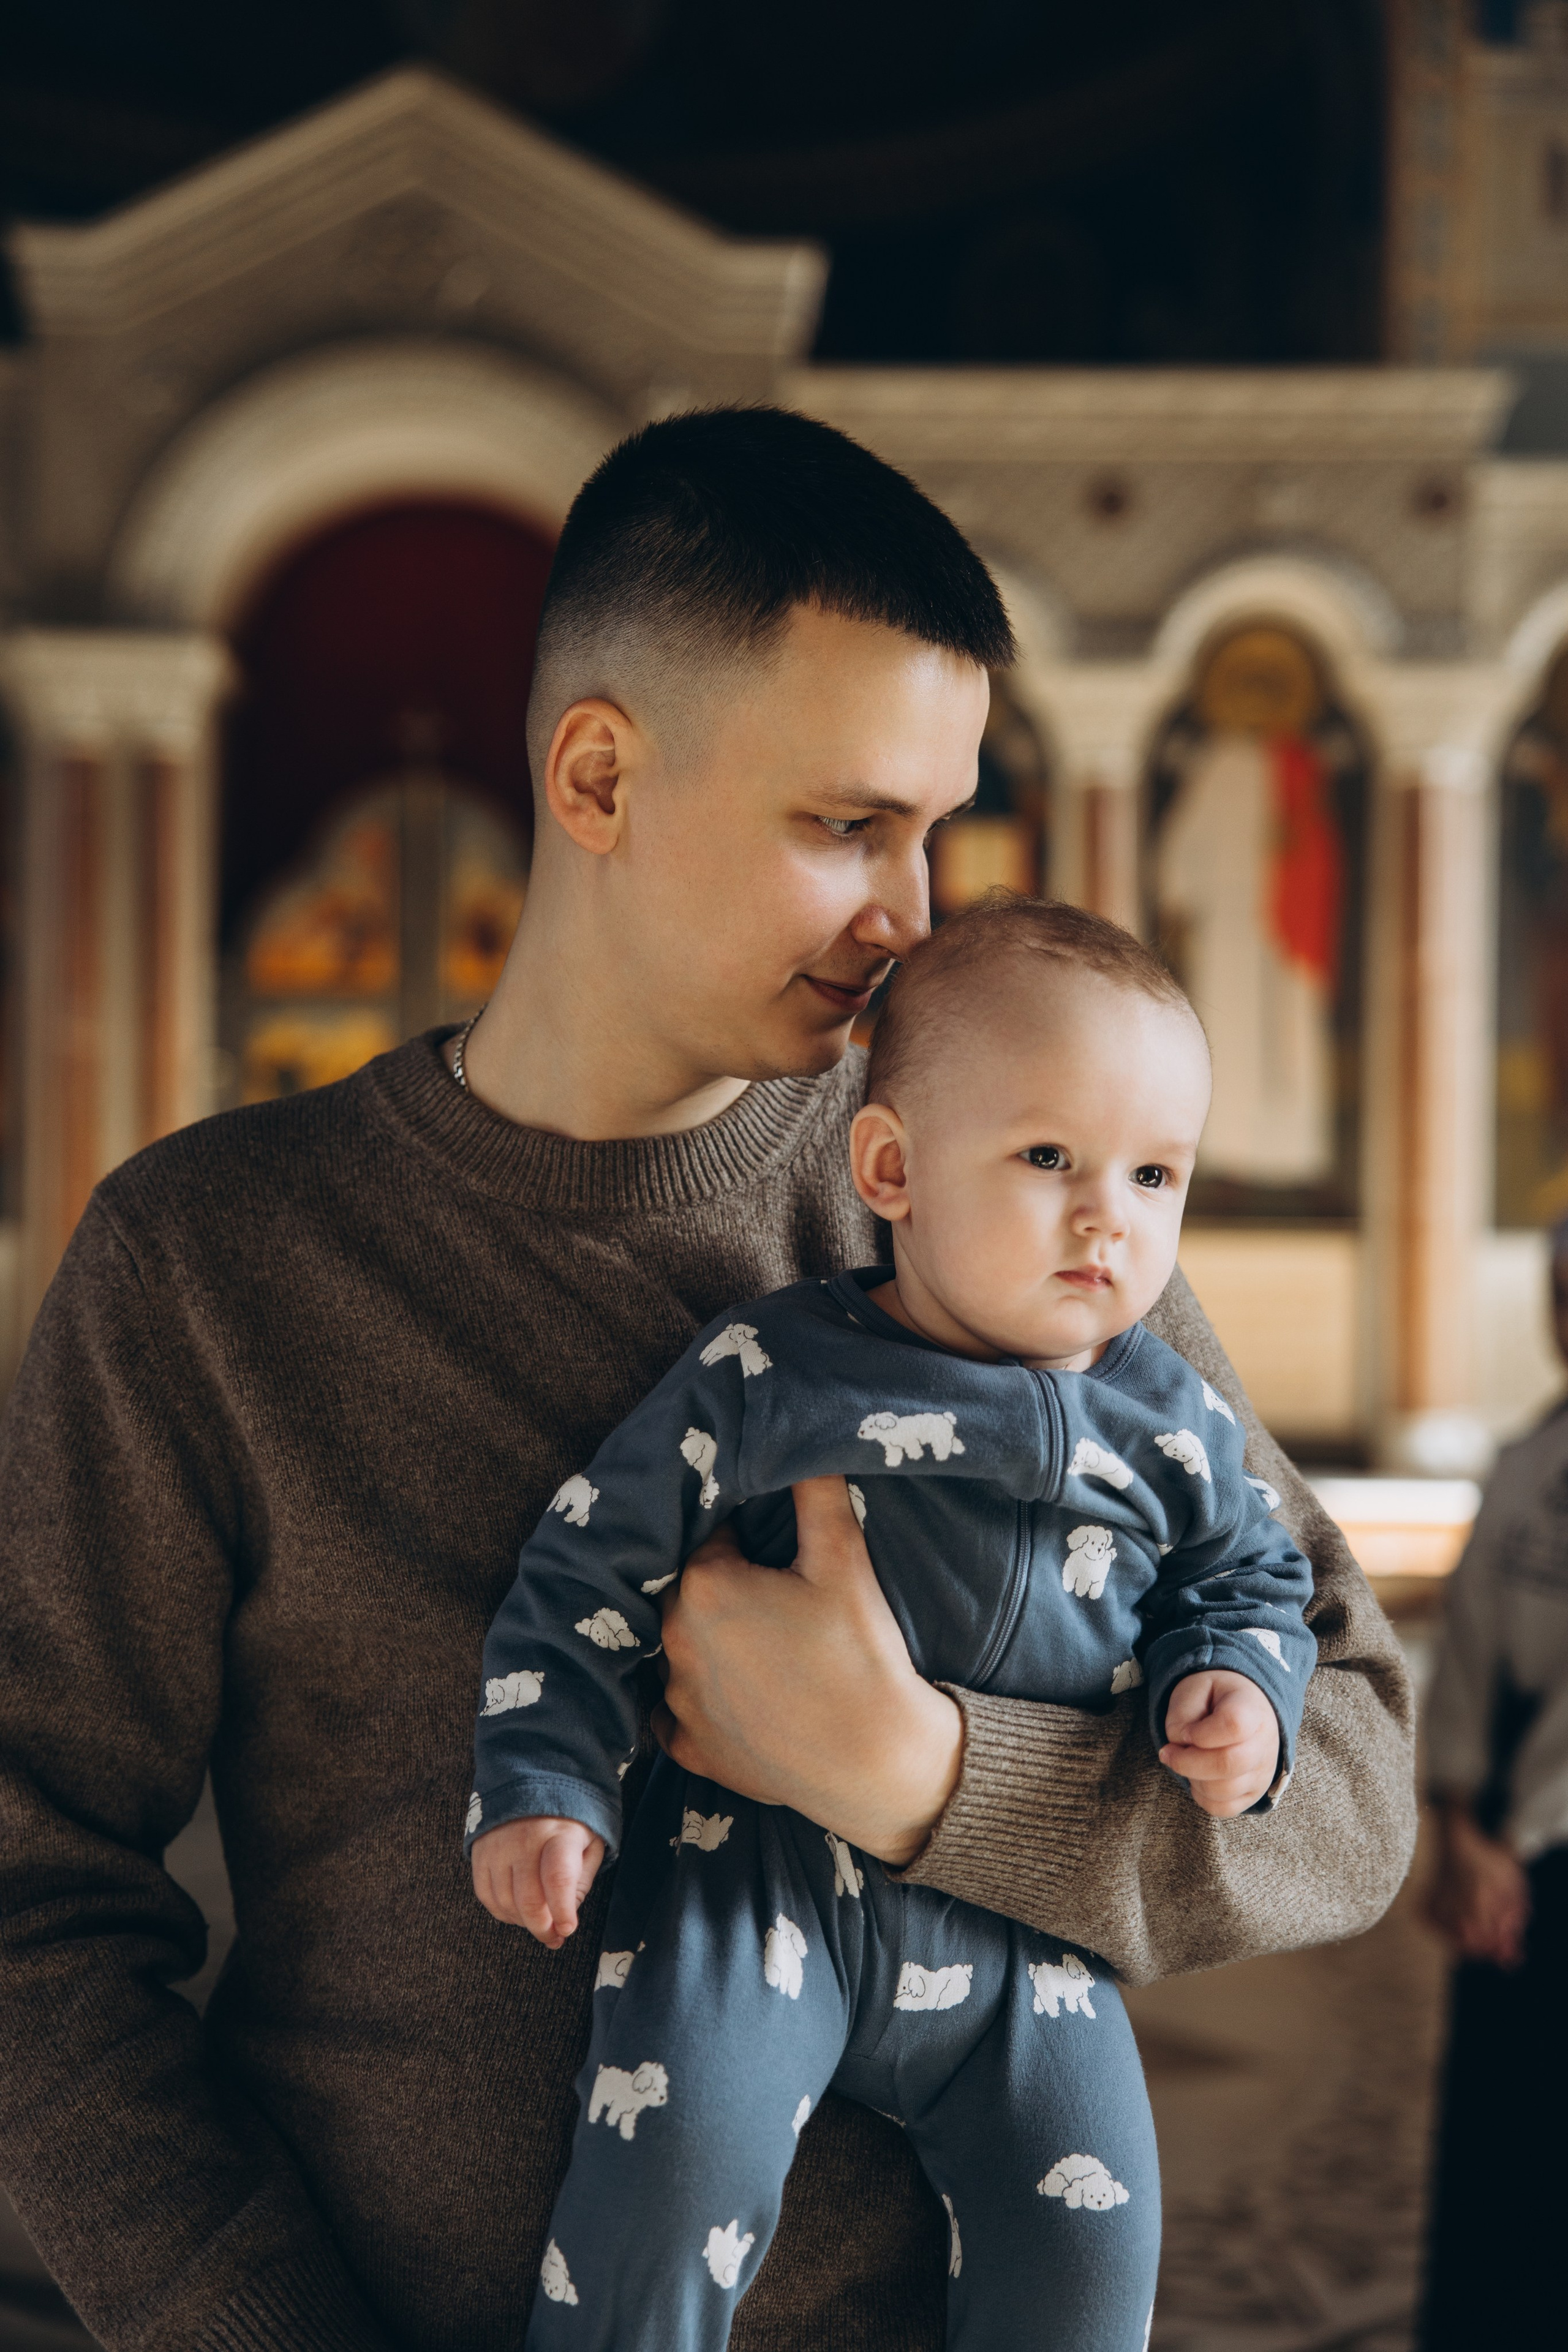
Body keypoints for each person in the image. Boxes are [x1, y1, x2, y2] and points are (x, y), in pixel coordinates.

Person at [0, 407, 1414, 2352]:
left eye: (938, 831)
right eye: (847, 826)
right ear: (598, 774)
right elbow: (28, 1899)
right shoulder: (206, 1265)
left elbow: (1353, 1765)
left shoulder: (1006, 1201)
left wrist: (931, 1783)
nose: (914, 912)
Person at [472, 897, 1316, 2350]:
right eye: (1047, 1156)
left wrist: (1240, 1685)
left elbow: (1254, 1582)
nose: (1106, 1214)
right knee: (664, 2176)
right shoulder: (770, 1363)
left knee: (1095, 2233)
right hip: (752, 1886)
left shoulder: (1170, 1416)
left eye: (1155, 1172)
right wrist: (543, 1784)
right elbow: (582, 1571)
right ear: (892, 1167)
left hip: (1020, 1934)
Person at [1420, 1219, 1568, 2350]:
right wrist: (1458, 1824)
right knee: (1500, 2145)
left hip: (1544, 1844)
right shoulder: (1529, 1461)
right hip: (1503, 1848)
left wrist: (1513, 1837)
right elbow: (1464, 1648)